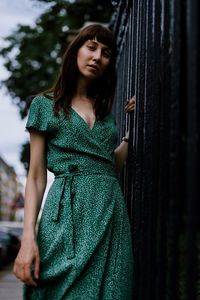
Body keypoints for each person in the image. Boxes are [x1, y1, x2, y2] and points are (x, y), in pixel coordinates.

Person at [13, 24, 135, 299]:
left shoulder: (107, 113)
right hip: (65, 218)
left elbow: (109, 166)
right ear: (75, 52)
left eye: (106, 53)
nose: (97, 57)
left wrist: (130, 133)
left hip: (110, 214)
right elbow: (35, 176)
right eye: (91, 47)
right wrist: (28, 238)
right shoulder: (45, 105)